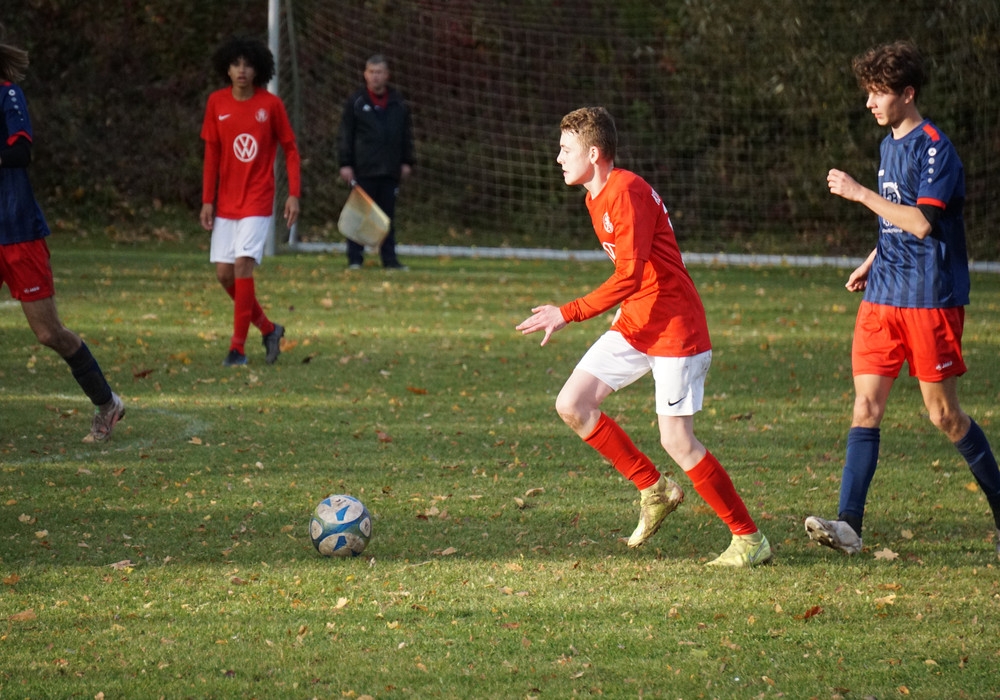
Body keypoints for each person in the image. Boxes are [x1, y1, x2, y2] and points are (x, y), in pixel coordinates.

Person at [516, 107, 772, 567]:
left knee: (677, 440)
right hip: (637, 322)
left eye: (566, 149)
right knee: (573, 404)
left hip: (675, 327)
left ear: (594, 154)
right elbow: (636, 274)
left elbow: (629, 275)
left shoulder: (626, 191)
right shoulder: (596, 197)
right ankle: (654, 489)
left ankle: (749, 539)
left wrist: (567, 312)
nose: (558, 158)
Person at [805, 41, 1000, 558]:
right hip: (883, 296)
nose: (870, 102)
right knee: (865, 405)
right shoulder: (887, 144)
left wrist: (858, 193)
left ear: (908, 94)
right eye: (868, 92)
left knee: (944, 416)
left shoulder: (936, 148)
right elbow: (894, 220)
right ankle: (849, 525)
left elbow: (920, 221)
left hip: (930, 298)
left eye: (879, 92)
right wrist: (873, 259)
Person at [0, 34, 124, 443]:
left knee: (49, 333)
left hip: (17, 231)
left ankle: (107, 403)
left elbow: (21, 153)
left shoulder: (9, 95)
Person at [200, 35, 299, 367]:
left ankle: (237, 349)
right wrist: (207, 200)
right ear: (226, 69)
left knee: (243, 265)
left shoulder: (270, 105)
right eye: (236, 64)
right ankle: (269, 329)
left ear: (258, 70)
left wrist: (294, 194)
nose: (242, 70)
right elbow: (212, 154)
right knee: (224, 274)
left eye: (248, 65)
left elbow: (291, 150)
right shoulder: (216, 103)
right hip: (227, 202)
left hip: (258, 199)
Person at [337, 54, 414, 270]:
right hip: (363, 169)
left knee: (387, 217)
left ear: (387, 75)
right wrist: (345, 163)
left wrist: (407, 161)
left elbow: (406, 134)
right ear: (365, 74)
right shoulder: (356, 102)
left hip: (389, 169)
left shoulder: (398, 103)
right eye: (371, 72)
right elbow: (345, 134)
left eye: (379, 72)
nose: (375, 76)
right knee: (359, 214)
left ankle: (389, 260)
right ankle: (355, 259)